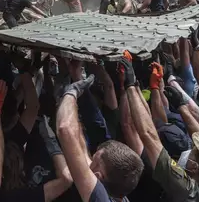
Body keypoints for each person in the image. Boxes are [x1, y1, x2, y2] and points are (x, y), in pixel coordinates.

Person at [122, 53, 199, 202]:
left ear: (194, 168)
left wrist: (130, 84)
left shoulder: (189, 193)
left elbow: (149, 135)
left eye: (194, 152)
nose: (191, 148)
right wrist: (182, 106)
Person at [56, 66, 144, 201]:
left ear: (98, 176)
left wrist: (71, 93)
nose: (91, 160)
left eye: (95, 159)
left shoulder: (100, 199)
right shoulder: (118, 193)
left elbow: (64, 129)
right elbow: (83, 155)